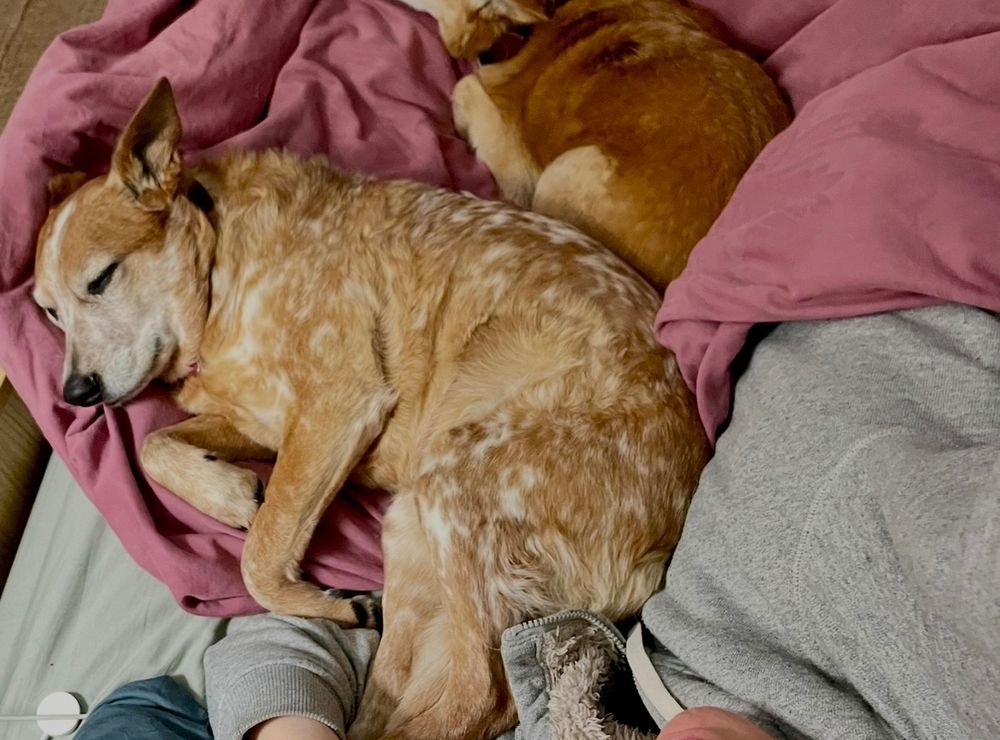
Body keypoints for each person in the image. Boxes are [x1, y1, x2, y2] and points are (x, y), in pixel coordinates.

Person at [204, 304, 1000, 740]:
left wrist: (284, 729)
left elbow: (299, 631)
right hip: (873, 288)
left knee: (138, 712)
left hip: (667, 407)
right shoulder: (932, 647)